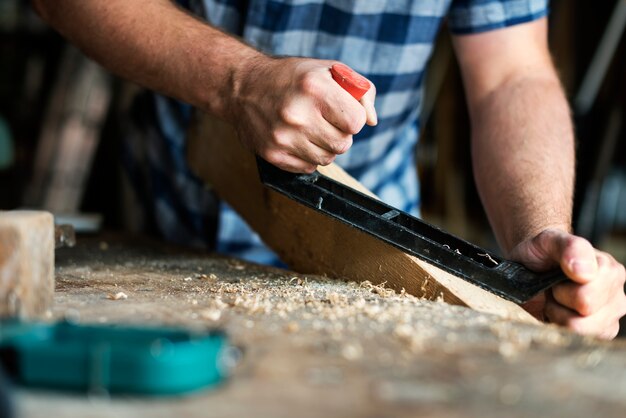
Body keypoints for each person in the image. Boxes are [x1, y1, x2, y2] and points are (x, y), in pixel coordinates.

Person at [33, 0, 626, 339]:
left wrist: (538, 239)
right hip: (161, 219)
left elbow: (511, 74)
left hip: (371, 264)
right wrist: (239, 81)